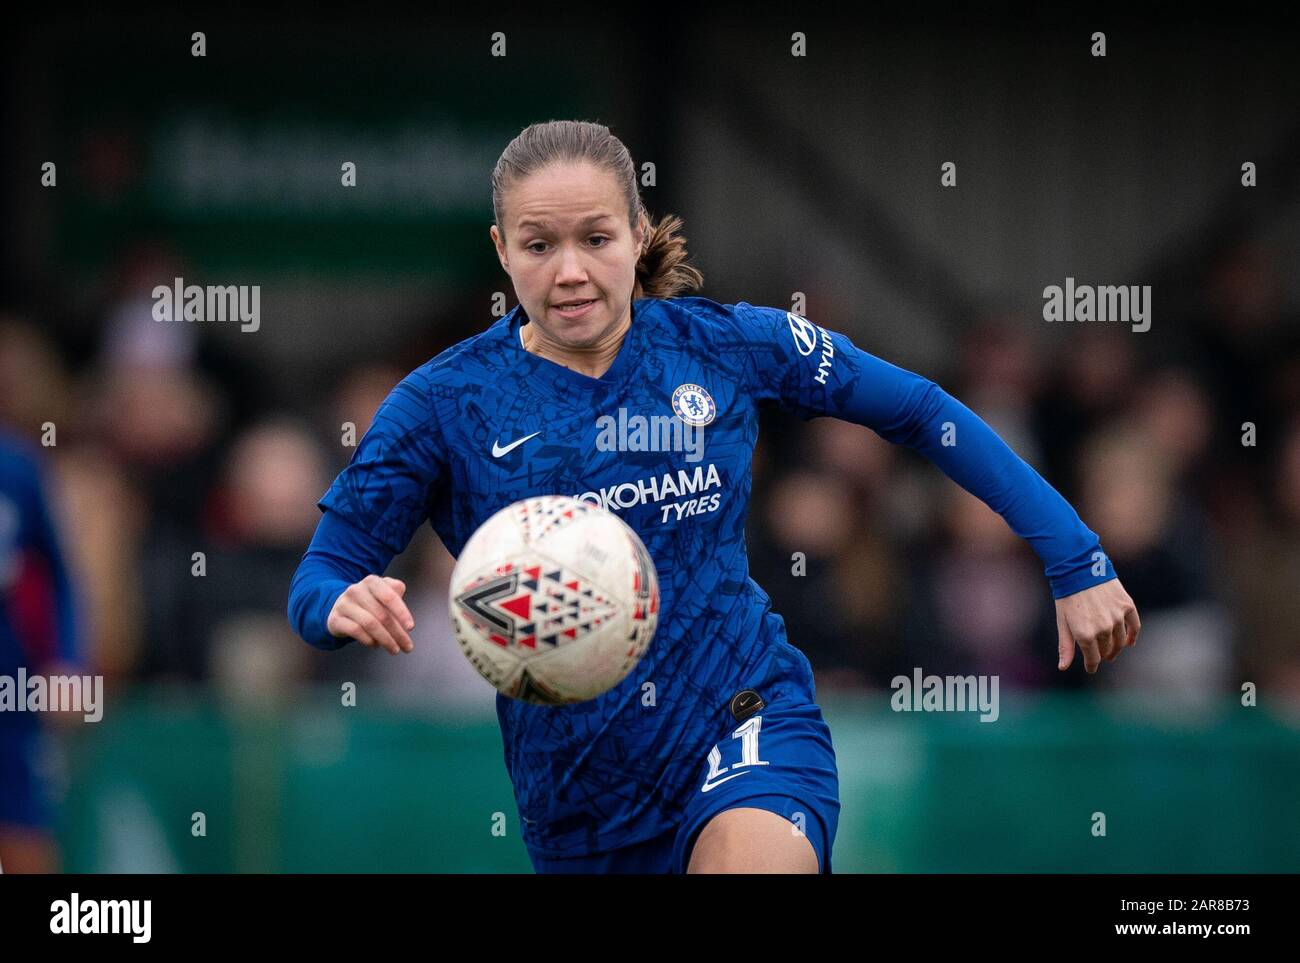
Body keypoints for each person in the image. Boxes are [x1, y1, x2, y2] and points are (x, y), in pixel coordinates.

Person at [288, 119, 1141, 873]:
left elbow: (921, 411)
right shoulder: (443, 403)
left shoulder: (725, 344)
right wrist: (340, 603)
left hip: (743, 716)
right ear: (502, 250)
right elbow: (321, 574)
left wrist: (1075, 556)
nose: (572, 270)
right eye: (539, 245)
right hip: (578, 799)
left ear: (635, 234)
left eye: (597, 237)